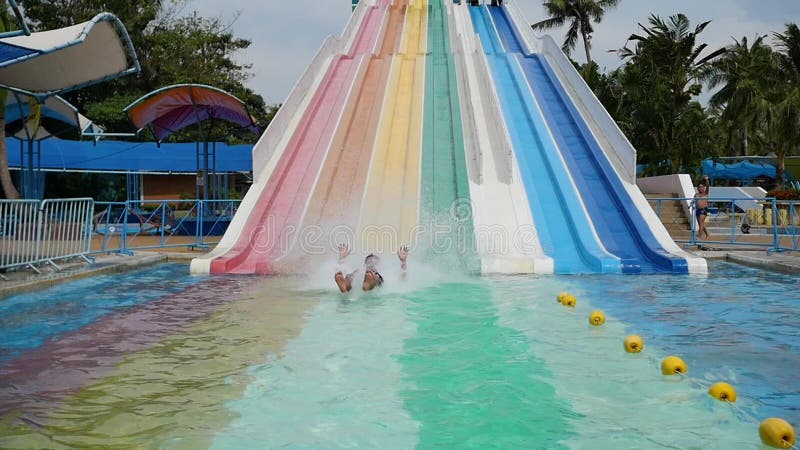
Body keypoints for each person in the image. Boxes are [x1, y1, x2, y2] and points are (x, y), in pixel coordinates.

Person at [334, 244, 408, 293]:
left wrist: (403, 262)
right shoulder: (360, 270)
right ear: (365, 263)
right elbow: (342, 269)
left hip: (373, 279)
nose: (371, 262)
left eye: (374, 260)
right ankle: (345, 285)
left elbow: (402, 279)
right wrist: (342, 258)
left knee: (372, 275)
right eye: (369, 260)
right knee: (349, 275)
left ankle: (368, 284)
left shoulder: (384, 273)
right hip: (360, 278)